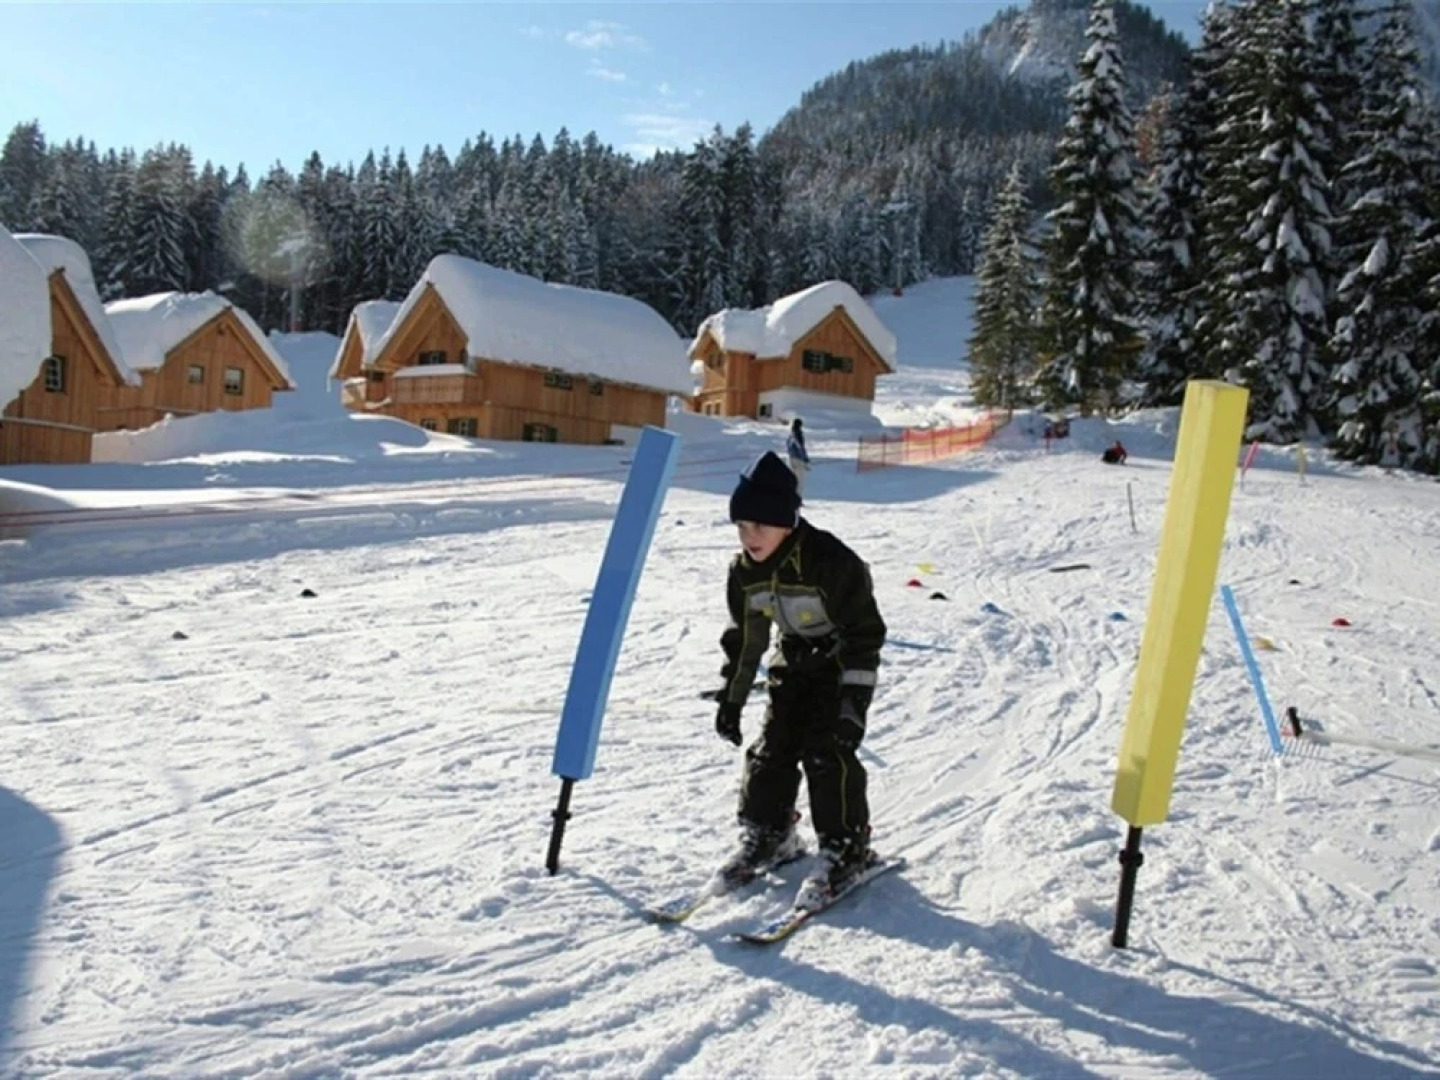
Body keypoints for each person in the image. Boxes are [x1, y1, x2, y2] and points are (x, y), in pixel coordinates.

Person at [712, 450, 887, 901]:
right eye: (742, 526)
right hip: (792, 664)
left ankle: (848, 846)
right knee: (772, 750)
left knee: (828, 752)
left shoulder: (830, 561)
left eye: (760, 526)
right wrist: (731, 699)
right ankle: (771, 834)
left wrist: (853, 704)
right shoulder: (745, 572)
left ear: (787, 523)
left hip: (838, 665)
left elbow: (864, 635)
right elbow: (746, 639)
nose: (749, 537)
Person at [785, 417, 810, 495]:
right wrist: (805, 459)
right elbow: (800, 447)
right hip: (798, 460)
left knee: (791, 480)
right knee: (799, 481)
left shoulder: (790, 435)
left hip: (790, 459)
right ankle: (797, 498)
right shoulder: (798, 434)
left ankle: (790, 497)